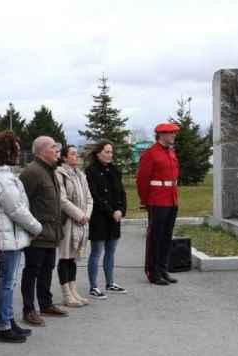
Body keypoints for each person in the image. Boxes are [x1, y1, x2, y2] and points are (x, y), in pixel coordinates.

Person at [0, 131, 41, 343]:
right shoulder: (2, 178)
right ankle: (4, 326)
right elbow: (17, 209)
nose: (17, 152)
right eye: (15, 148)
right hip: (9, 238)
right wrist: (36, 227)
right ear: (7, 152)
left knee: (9, 282)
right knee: (7, 282)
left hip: (7, 236)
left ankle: (9, 320)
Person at [19, 136, 66, 325]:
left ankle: (46, 304)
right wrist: (32, 228)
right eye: (54, 147)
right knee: (32, 271)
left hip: (51, 232)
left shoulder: (49, 170)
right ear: (42, 150)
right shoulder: (31, 172)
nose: (57, 151)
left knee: (47, 269)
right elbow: (22, 204)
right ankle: (29, 310)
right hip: (37, 234)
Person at [136, 122, 181, 286]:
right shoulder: (150, 154)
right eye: (170, 133)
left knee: (166, 236)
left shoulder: (171, 152)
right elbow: (142, 179)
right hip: (157, 199)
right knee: (155, 237)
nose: (173, 136)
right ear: (161, 135)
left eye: (174, 133)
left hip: (171, 198)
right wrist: (144, 200)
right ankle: (152, 272)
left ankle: (163, 269)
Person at [84, 141, 128, 299]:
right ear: (98, 153)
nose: (110, 155)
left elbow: (121, 193)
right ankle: (93, 286)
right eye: (107, 151)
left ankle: (110, 283)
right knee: (97, 252)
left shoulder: (115, 171)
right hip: (99, 217)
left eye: (111, 152)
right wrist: (111, 212)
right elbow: (95, 196)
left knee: (111, 251)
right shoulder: (91, 171)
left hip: (115, 217)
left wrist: (121, 210)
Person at [55, 144, 93, 308]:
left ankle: (74, 290)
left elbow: (89, 198)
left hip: (82, 222)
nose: (75, 156)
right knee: (65, 257)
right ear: (64, 157)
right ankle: (66, 294)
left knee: (73, 258)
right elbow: (62, 200)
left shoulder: (81, 175)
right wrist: (78, 215)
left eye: (77, 154)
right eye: (72, 154)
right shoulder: (59, 174)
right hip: (68, 221)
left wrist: (86, 216)